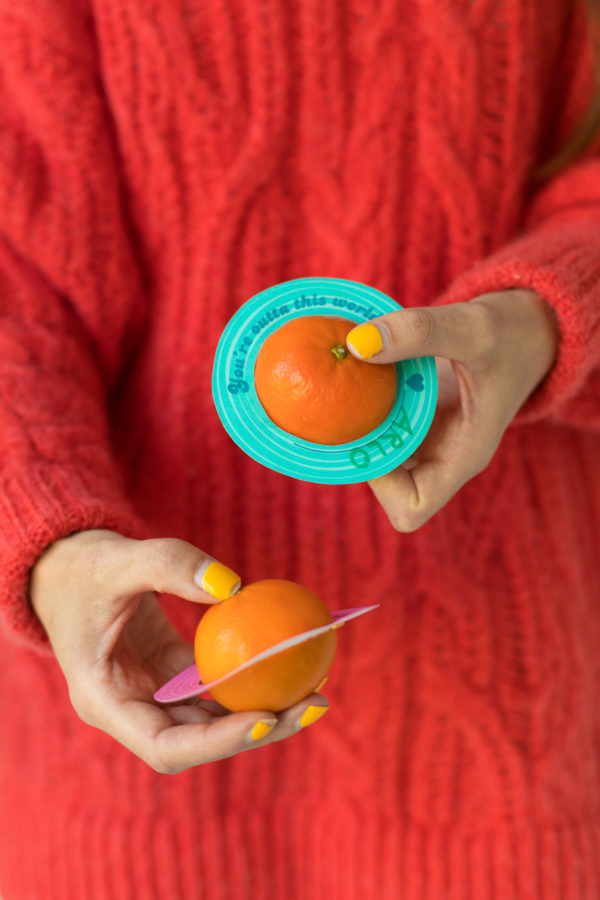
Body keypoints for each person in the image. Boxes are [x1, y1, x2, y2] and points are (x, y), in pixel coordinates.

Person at [1, 0, 599, 897]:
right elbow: (15, 273)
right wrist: (47, 538)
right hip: (115, 759)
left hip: (500, 725)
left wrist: (550, 313)